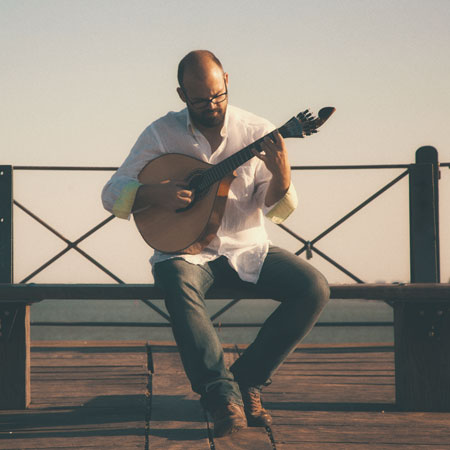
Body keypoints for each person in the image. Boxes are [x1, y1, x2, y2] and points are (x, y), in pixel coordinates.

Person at [102, 50, 330, 438]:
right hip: (184, 253)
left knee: (314, 288)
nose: (211, 105)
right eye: (200, 100)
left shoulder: (257, 129)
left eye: (217, 95)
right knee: (174, 278)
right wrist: (155, 194)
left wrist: (282, 173)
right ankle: (220, 394)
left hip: (248, 249)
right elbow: (112, 192)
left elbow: (276, 208)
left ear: (226, 79)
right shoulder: (160, 133)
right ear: (181, 94)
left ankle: (246, 381)